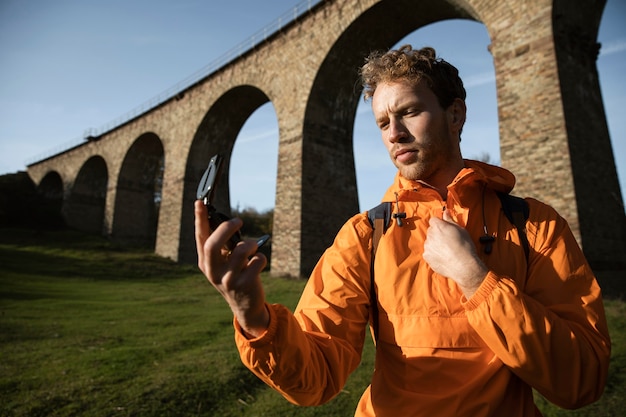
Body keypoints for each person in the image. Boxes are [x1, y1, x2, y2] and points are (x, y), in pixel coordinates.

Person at [194, 45, 611, 416]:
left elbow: (582, 381)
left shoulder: (532, 226)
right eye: (382, 122)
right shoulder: (365, 235)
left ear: (455, 114)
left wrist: (476, 279)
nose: (394, 133)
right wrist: (253, 316)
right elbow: (316, 378)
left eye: (409, 112)